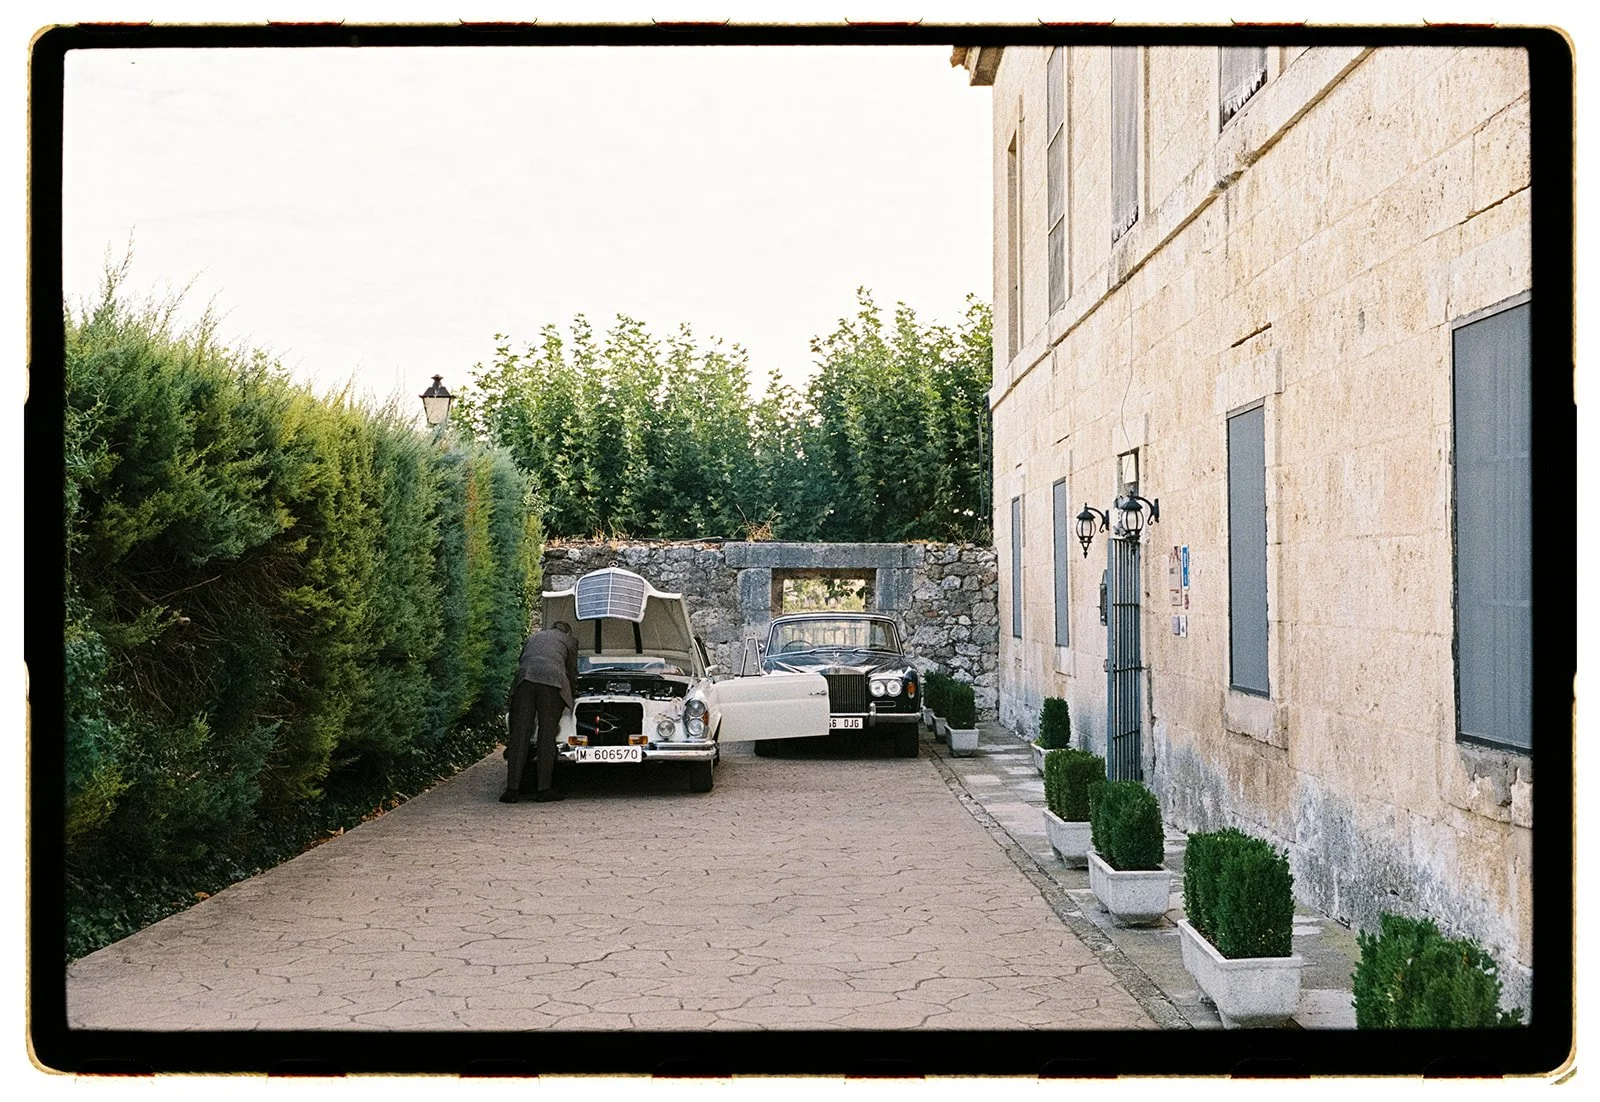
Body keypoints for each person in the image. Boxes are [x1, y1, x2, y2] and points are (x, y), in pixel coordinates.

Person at [503, 620, 579, 804]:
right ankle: (544, 790)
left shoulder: (533, 638)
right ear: (567, 632)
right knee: (547, 734)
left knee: (520, 734)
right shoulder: (569, 641)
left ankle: (512, 791)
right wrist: (574, 692)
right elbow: (571, 672)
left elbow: (523, 660)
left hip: (525, 679)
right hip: (552, 682)